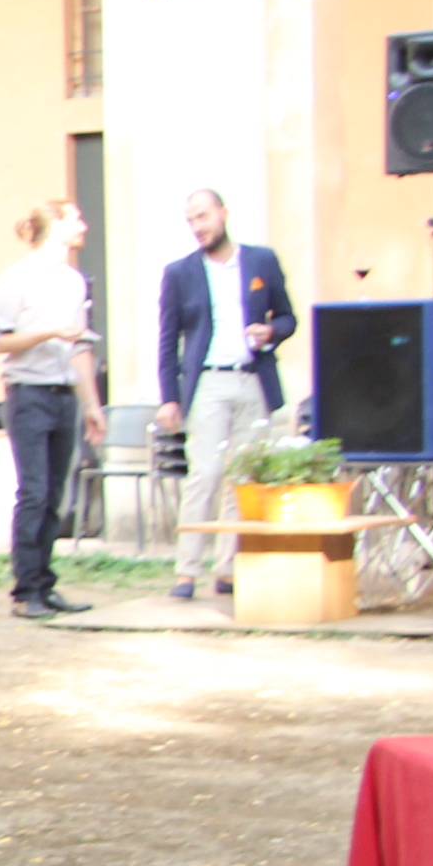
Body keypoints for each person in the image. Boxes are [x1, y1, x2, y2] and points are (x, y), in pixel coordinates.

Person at [153, 189, 298, 601]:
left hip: (253, 378)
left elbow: (288, 316)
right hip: (208, 382)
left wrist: (271, 331)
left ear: (223, 213)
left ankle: (229, 568)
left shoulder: (261, 261)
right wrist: (170, 397)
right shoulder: (180, 273)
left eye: (203, 216)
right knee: (206, 473)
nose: (198, 226)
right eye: (191, 220)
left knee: (243, 476)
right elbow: (168, 339)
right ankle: (186, 571)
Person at [0, 201, 105, 621]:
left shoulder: (74, 281)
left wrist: (91, 404)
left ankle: (44, 584)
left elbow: (80, 346)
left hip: (64, 394)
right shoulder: (16, 279)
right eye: (75, 218)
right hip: (28, 393)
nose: (83, 225)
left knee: (56, 494)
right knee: (34, 491)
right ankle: (25, 591)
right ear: (54, 224)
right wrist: (49, 331)